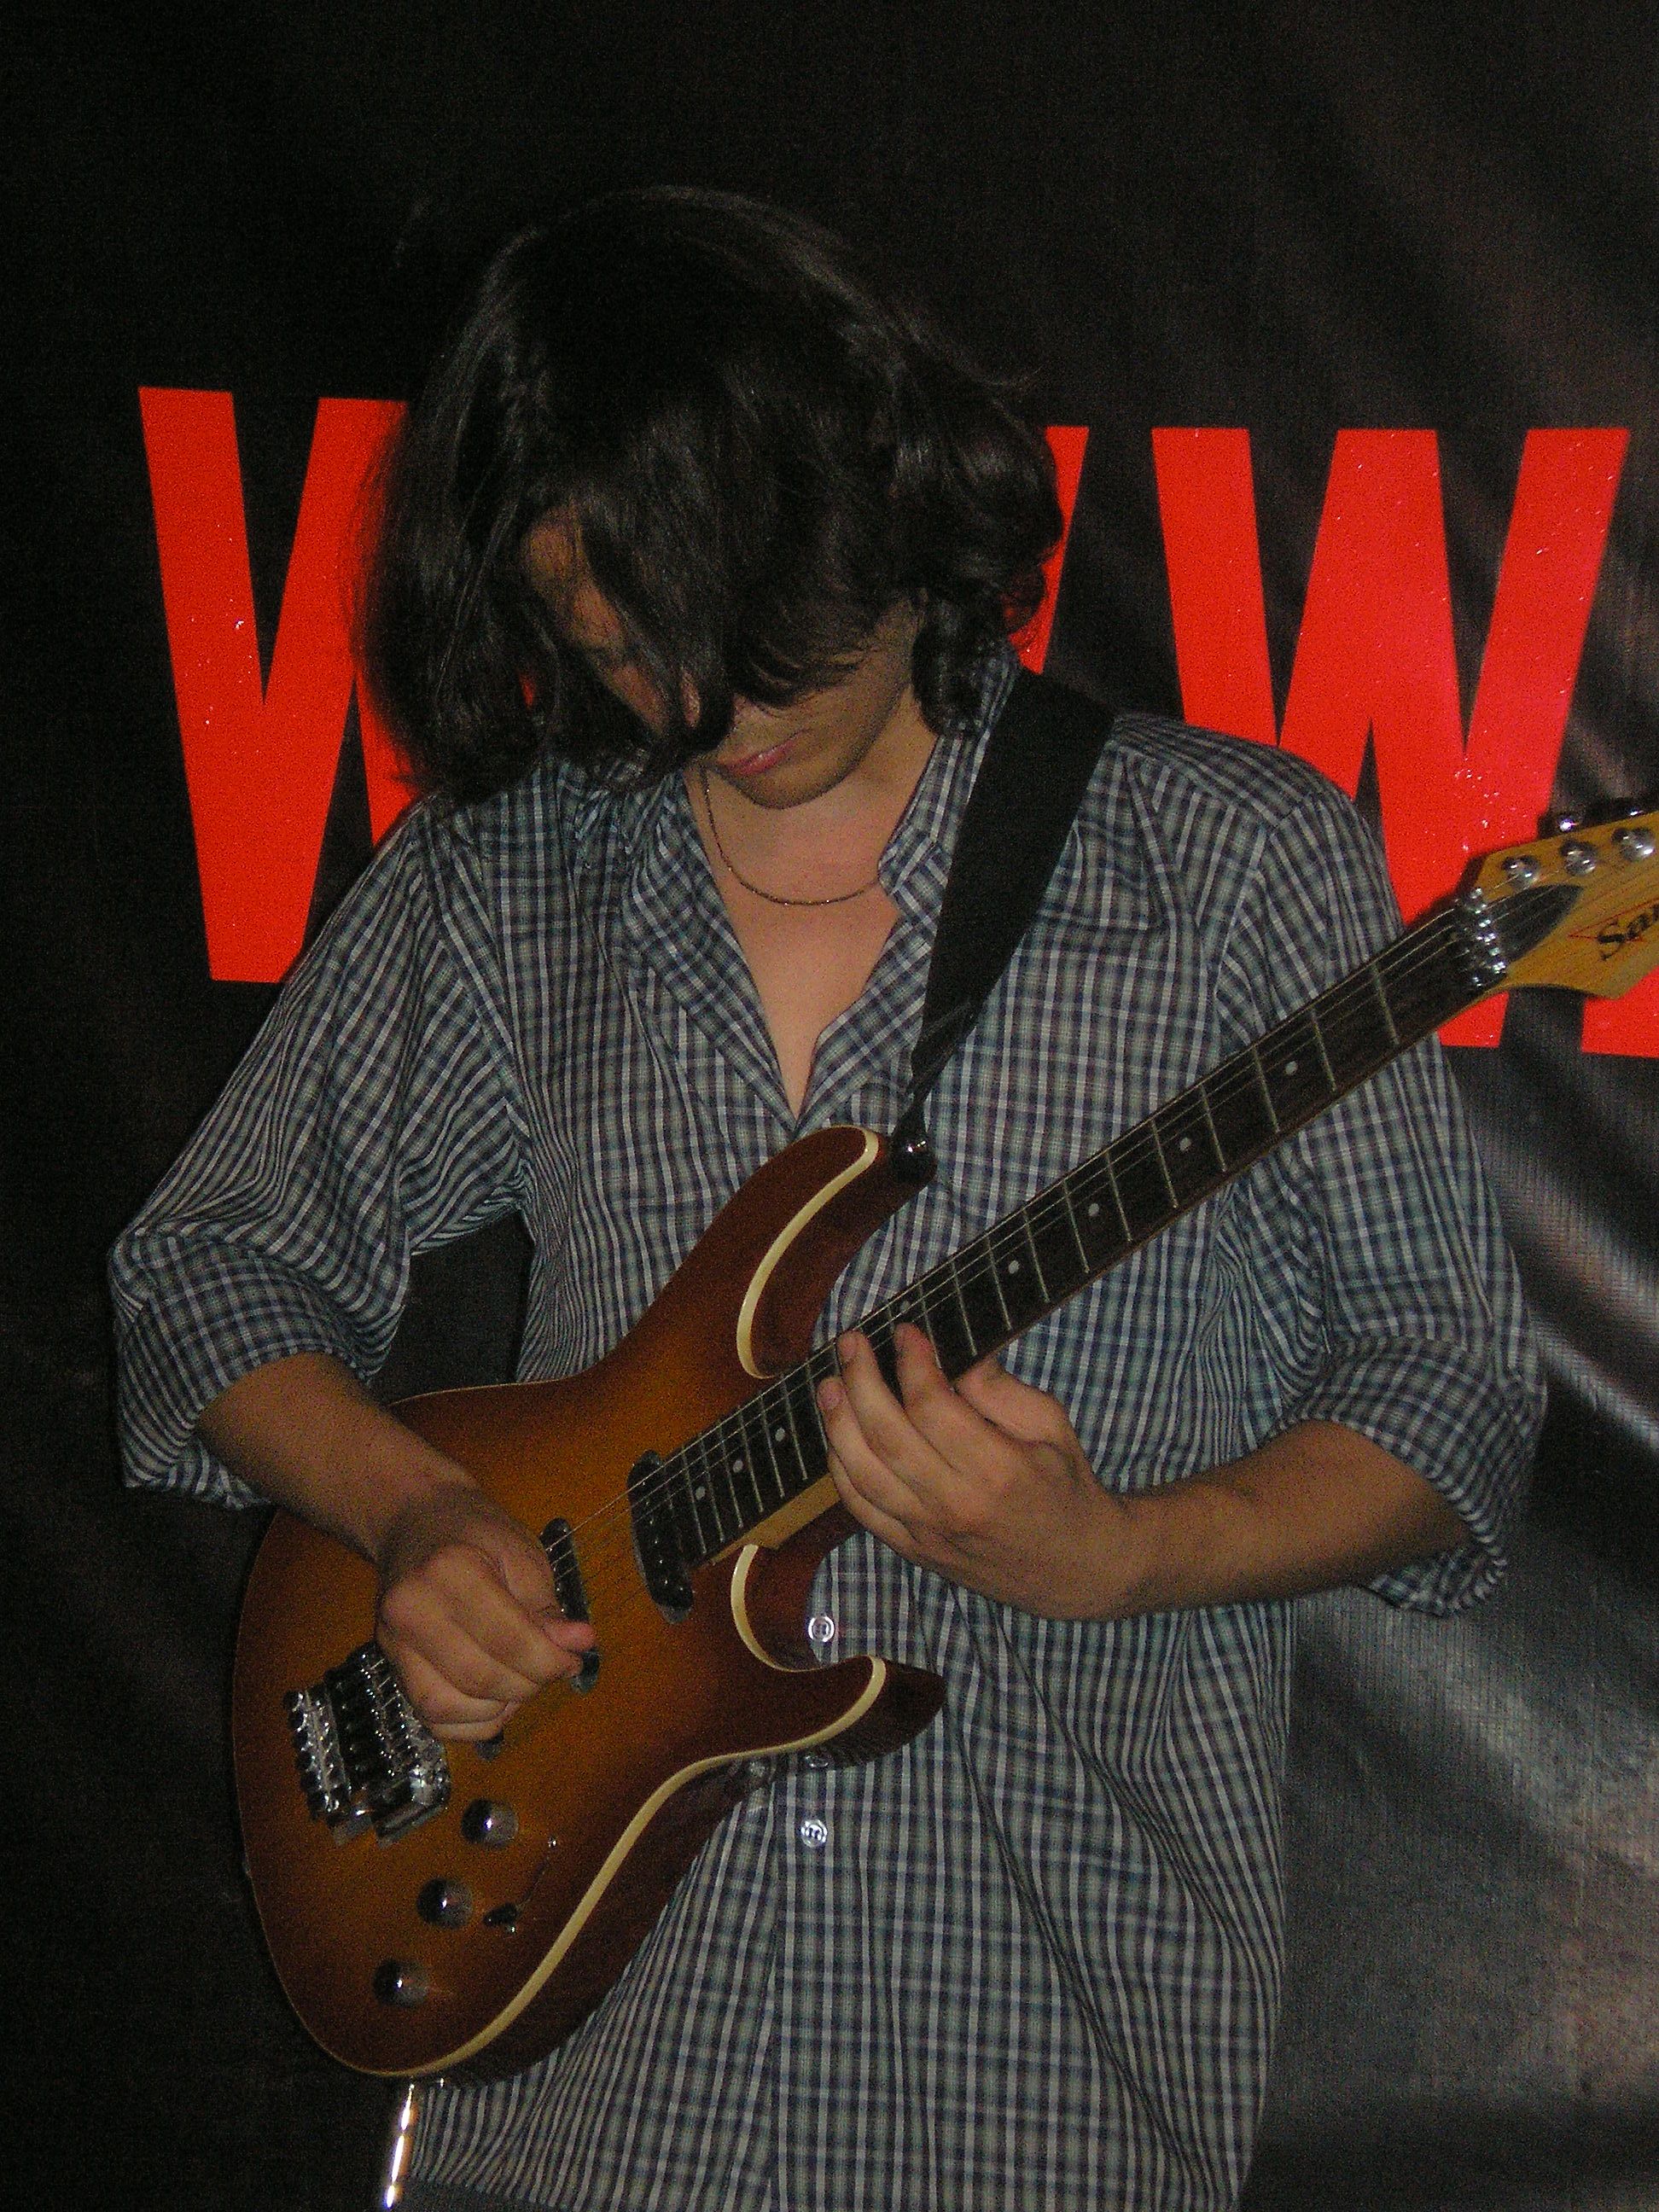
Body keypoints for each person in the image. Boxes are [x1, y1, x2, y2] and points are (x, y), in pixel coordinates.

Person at [111, 189, 1543, 2211]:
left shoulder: (1226, 868)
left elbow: (1449, 1390)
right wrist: (414, 1515)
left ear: (888, 486)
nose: (715, 703)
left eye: (759, 616)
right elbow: (202, 1271)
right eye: (625, 646)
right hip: (581, 2106)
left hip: (1035, 2093)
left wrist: (1128, 1554)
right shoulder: (518, 881)